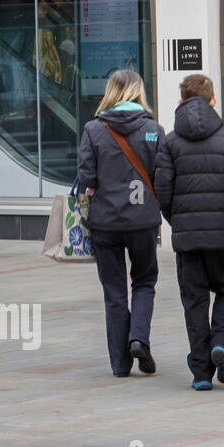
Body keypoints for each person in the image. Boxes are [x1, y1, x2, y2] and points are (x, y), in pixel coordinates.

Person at [153, 74, 224, 391]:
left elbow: (163, 191)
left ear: (180, 102)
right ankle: (220, 341)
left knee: (194, 300)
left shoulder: (169, 141)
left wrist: (176, 220)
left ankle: (200, 372)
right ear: (213, 101)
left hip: (187, 237)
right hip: (222, 234)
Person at [76, 69, 164, 378]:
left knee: (114, 292)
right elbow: (161, 175)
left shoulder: (93, 129)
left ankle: (119, 364)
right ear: (139, 91)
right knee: (144, 281)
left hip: (105, 221)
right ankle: (138, 337)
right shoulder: (153, 129)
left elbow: (86, 177)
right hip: (142, 220)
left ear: (110, 92)